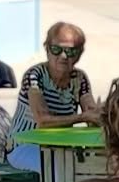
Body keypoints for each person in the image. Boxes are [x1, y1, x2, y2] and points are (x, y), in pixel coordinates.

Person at [7, 21, 101, 172]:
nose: (63, 56)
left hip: (60, 147)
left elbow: (92, 112)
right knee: (59, 168)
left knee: (95, 164)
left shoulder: (79, 78)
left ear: (79, 54)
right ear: (47, 49)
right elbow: (43, 120)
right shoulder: (34, 76)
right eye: (56, 49)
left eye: (70, 51)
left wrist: (98, 114)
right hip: (24, 145)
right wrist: (83, 117)